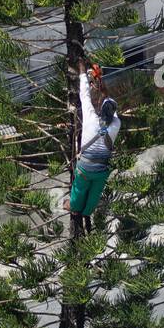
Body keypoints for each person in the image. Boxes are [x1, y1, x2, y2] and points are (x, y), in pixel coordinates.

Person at [68, 60, 120, 231]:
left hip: (85, 168)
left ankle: (75, 208)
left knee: (79, 190)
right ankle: (87, 213)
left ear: (100, 107)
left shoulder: (90, 118)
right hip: (101, 172)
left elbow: (84, 95)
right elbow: (109, 104)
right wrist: (102, 86)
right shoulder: (116, 125)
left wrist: (84, 71)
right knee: (94, 194)